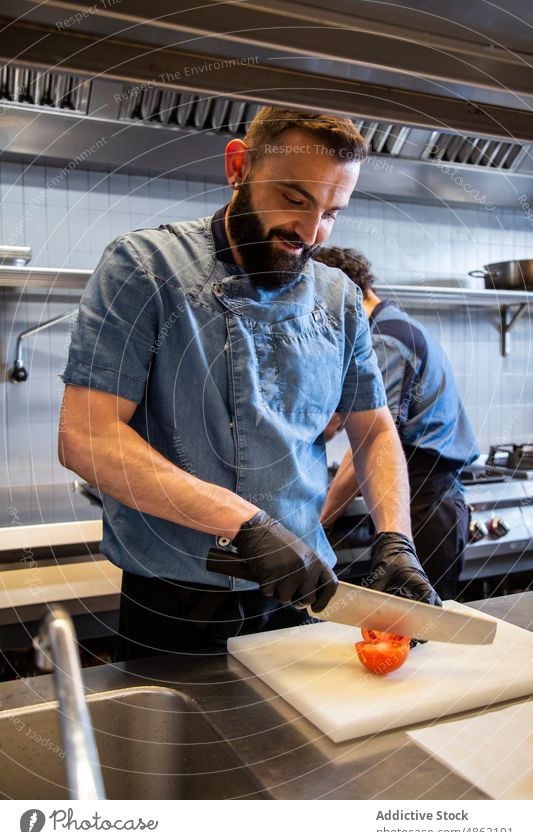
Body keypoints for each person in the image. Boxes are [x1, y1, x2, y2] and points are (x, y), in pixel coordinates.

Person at [58, 108, 439, 661]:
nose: (309, 234)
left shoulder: (339, 298)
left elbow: (375, 429)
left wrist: (395, 539)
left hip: (305, 596)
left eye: (332, 214)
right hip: (173, 599)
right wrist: (245, 525)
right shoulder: (144, 269)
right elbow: (86, 437)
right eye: (294, 198)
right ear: (239, 167)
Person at [316, 246, 479, 599]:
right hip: (423, 497)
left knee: (417, 631)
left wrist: (318, 524)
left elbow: (372, 440)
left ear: (342, 292)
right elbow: (342, 420)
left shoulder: (385, 340)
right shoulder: (392, 326)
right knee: (405, 628)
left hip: (425, 503)